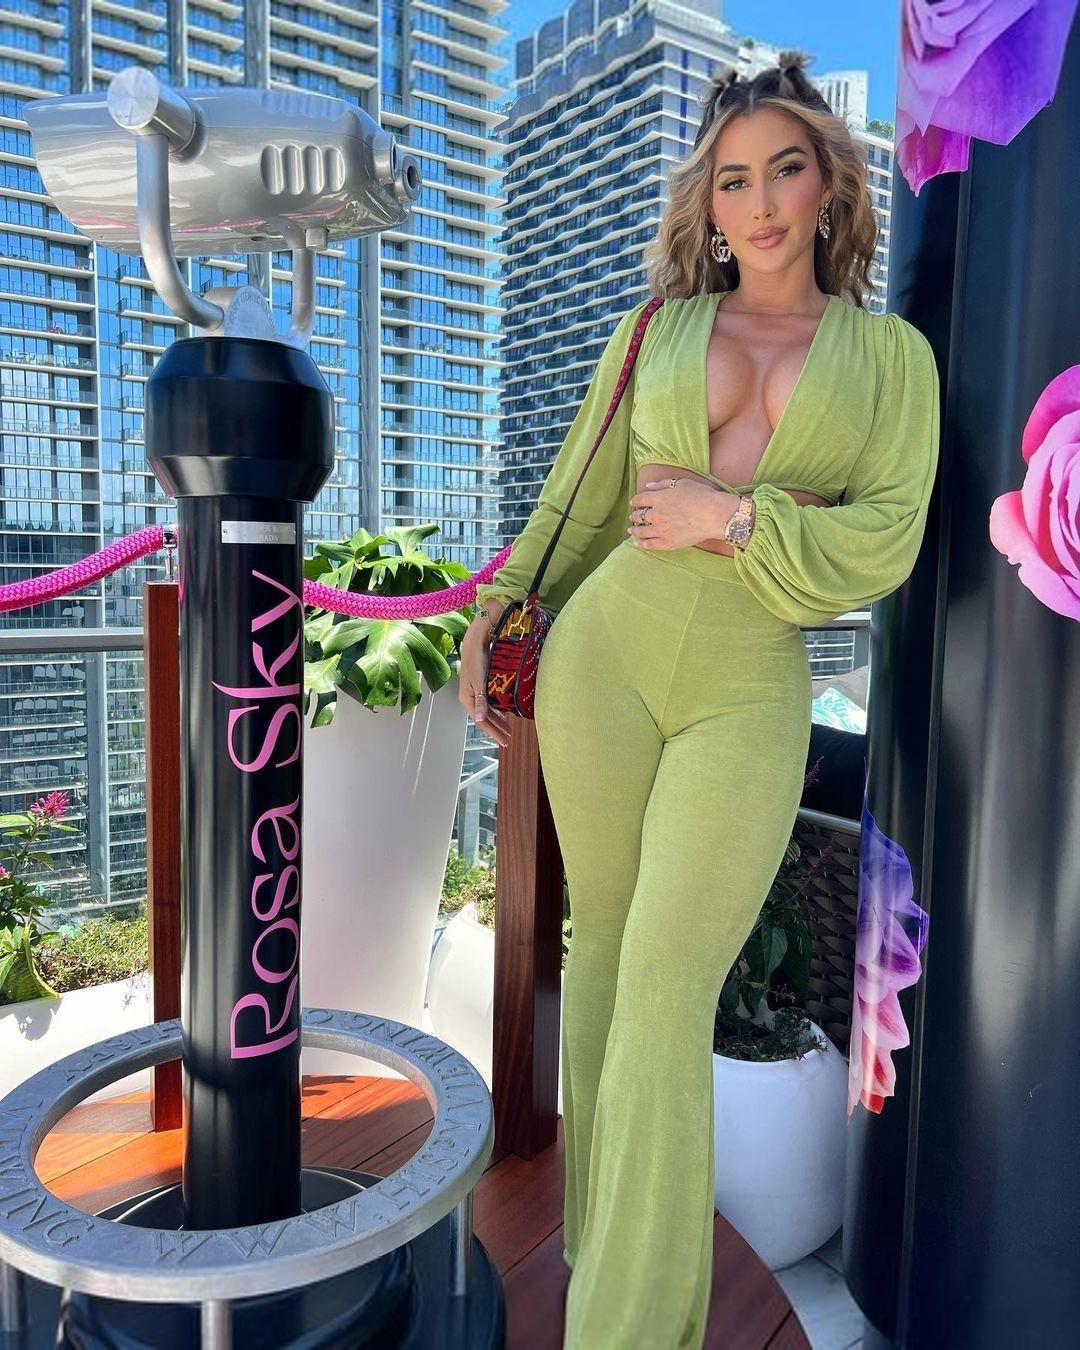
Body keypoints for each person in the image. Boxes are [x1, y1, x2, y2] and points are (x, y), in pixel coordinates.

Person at [459, 51, 940, 1350]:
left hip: (749, 680)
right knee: (603, 953)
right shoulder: (656, 333)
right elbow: (576, 499)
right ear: (709, 205)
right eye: (733, 180)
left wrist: (732, 517)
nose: (761, 201)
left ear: (830, 185)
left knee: (669, 981)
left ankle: (625, 1325)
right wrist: (497, 608)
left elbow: (884, 542)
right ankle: (600, 1238)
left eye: (786, 168)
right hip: (604, 655)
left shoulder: (890, 358)